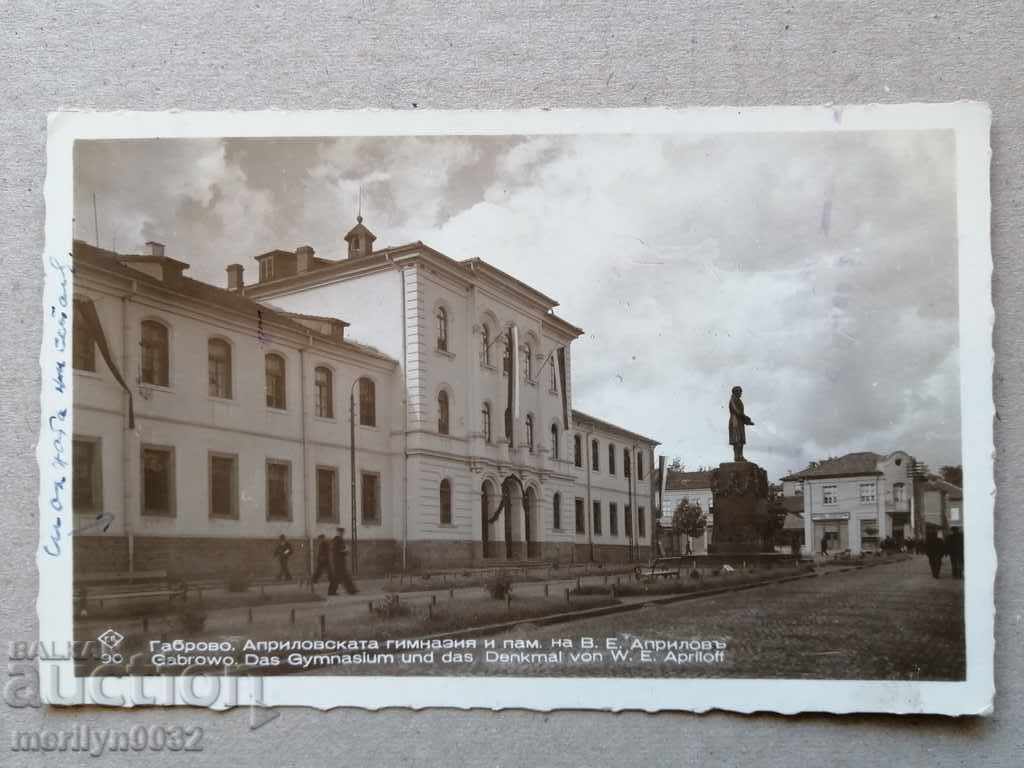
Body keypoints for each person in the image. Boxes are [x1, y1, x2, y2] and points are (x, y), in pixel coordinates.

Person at [331, 527, 358, 595]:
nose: (342, 534)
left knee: (338, 576)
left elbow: (340, 550)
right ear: (338, 533)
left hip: (339, 560)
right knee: (344, 575)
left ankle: (332, 591)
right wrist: (346, 550)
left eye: (342, 532)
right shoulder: (337, 540)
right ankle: (351, 590)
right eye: (341, 532)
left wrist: (345, 551)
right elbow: (337, 550)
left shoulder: (339, 540)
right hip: (338, 561)